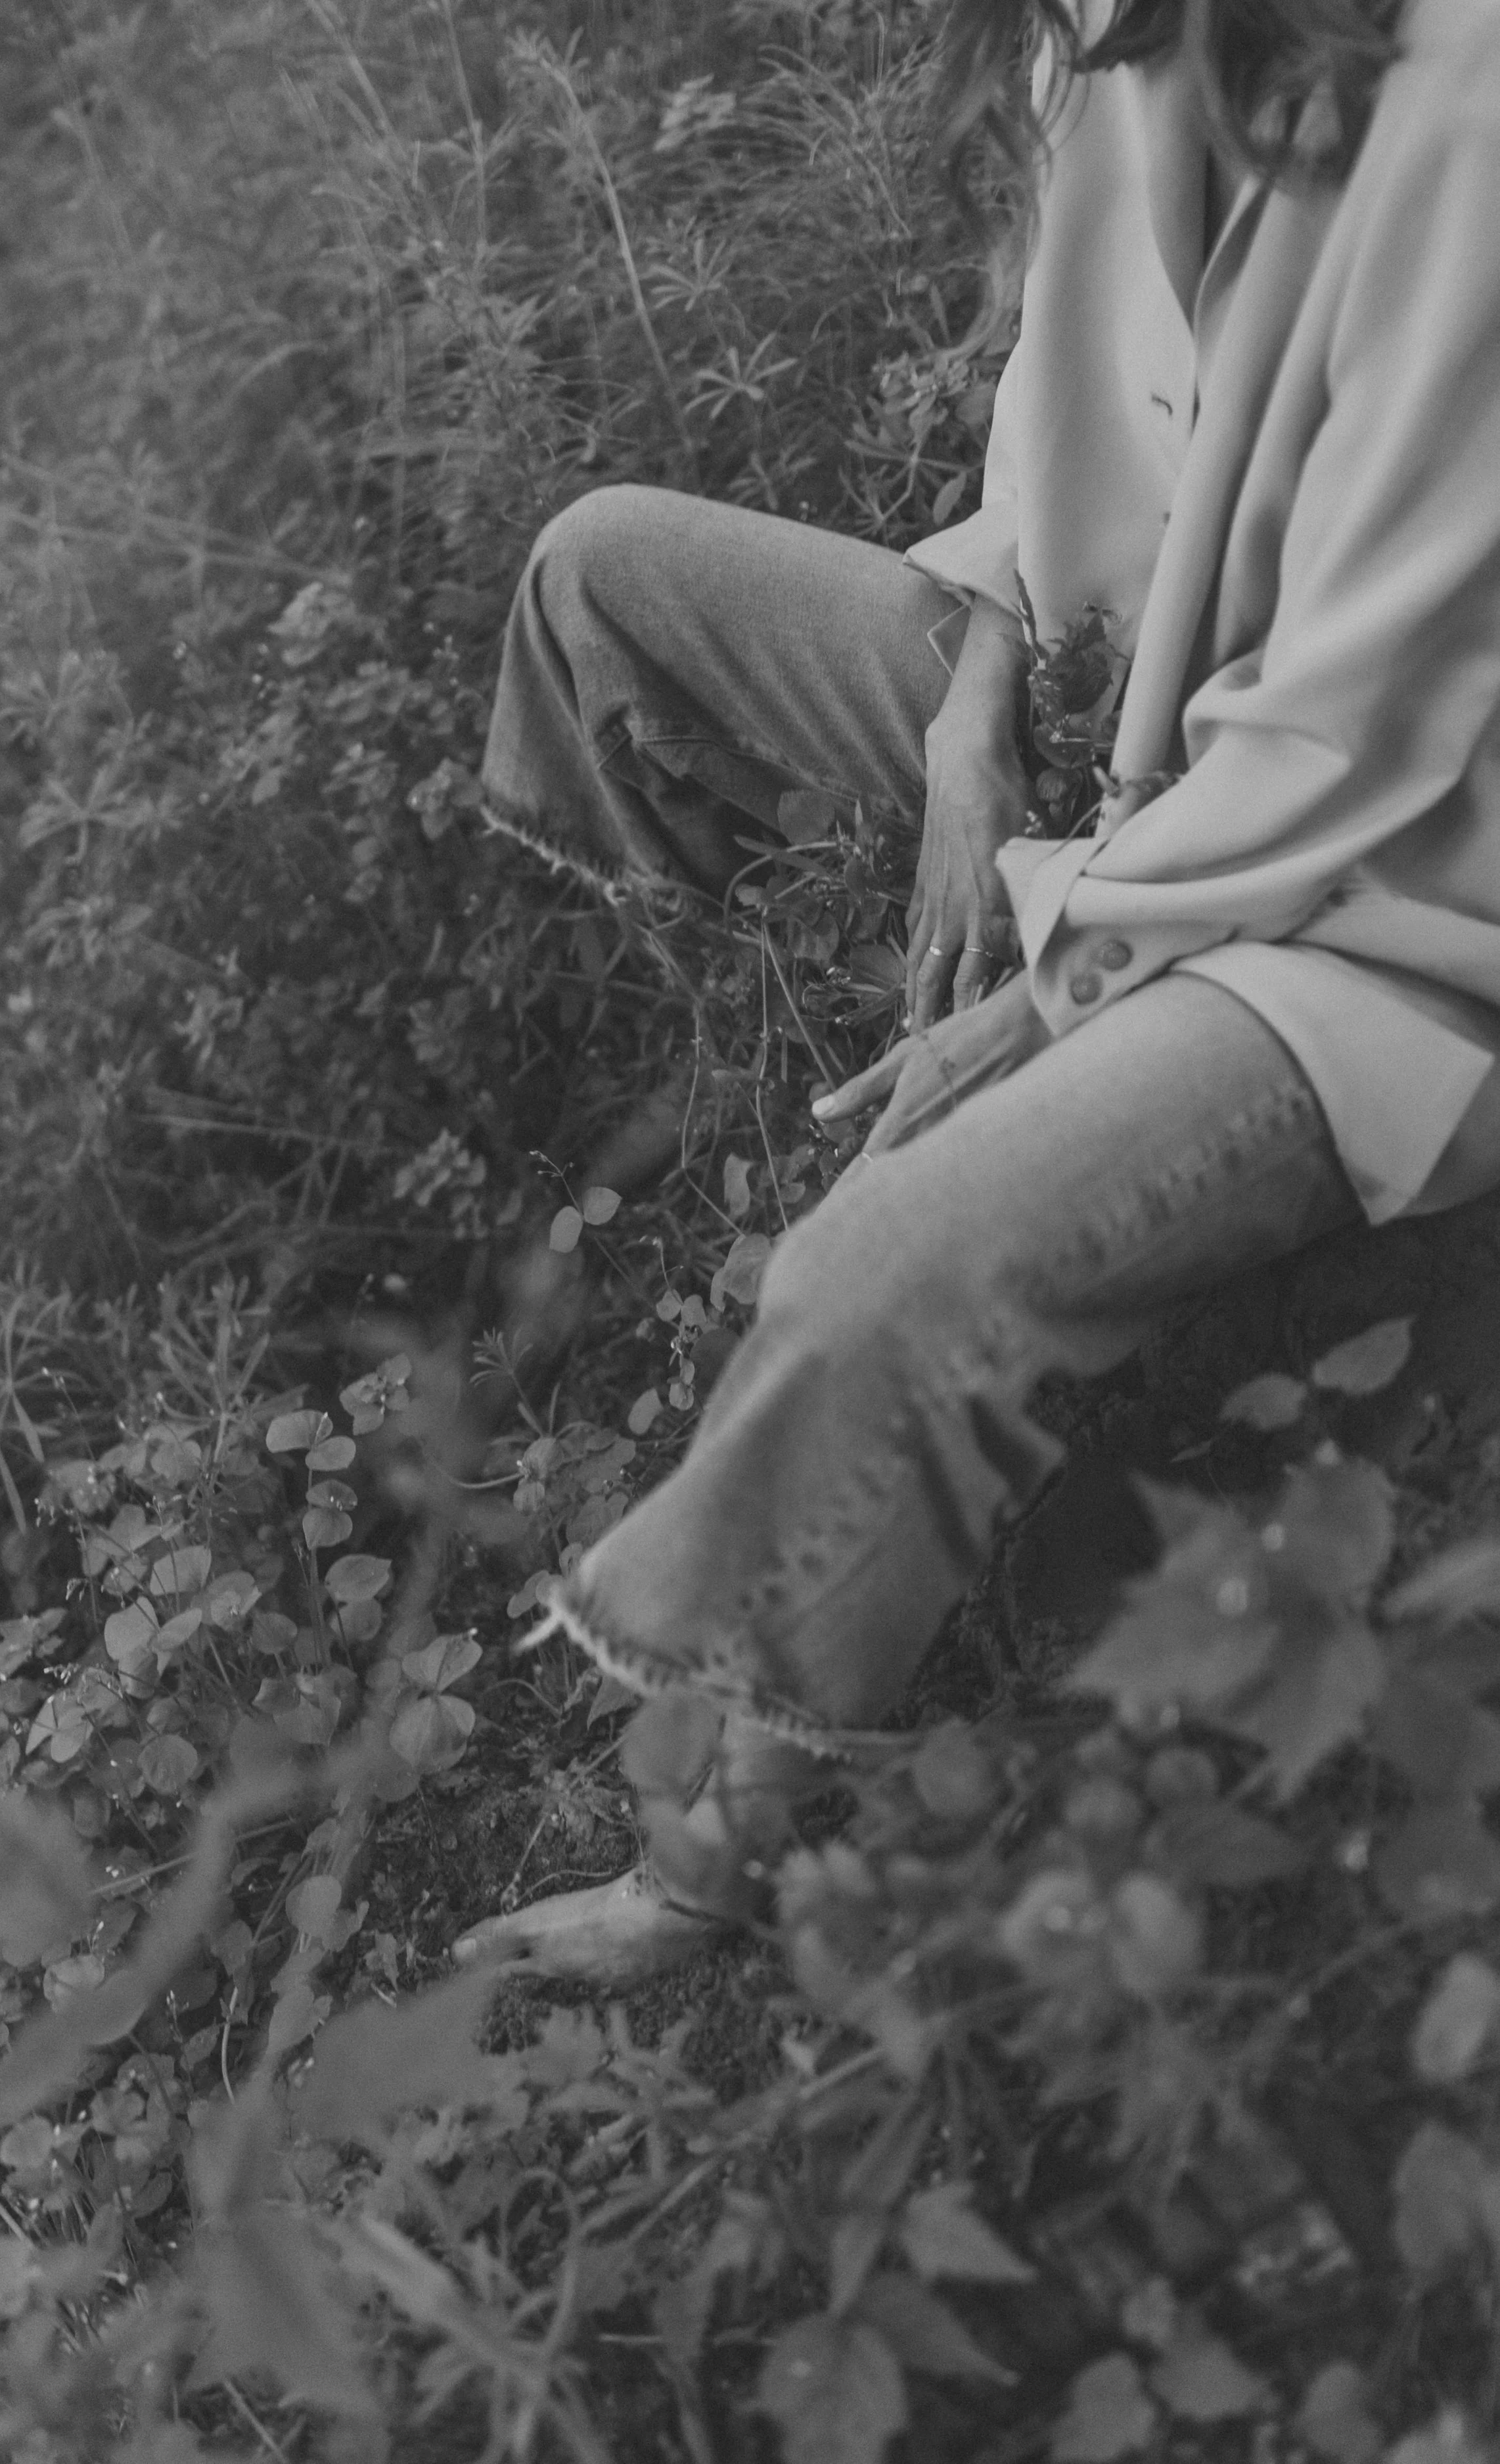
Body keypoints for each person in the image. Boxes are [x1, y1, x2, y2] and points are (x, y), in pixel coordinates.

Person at [456, 0, 1500, 1982]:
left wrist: (1050, 979)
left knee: (870, 1276)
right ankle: (758, 1099)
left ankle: (704, 1863)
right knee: (603, 579)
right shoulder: (1118, 31)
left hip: (1375, 902)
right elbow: (1066, 436)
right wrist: (964, 712)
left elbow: (1373, 721)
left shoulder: (1464, 101)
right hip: (1147, 739)